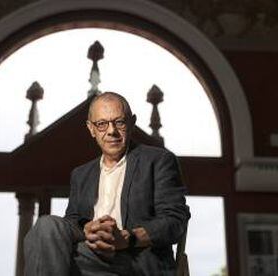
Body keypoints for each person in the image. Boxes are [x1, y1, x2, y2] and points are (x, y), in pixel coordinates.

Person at [24, 92, 190, 276]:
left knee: (46, 253)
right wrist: (88, 228)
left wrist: (128, 238)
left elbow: (175, 221)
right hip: (89, 254)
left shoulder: (159, 160)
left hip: (137, 261)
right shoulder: (81, 174)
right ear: (91, 129)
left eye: (119, 122)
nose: (111, 131)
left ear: (132, 122)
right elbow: (73, 222)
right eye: (102, 124)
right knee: (45, 227)